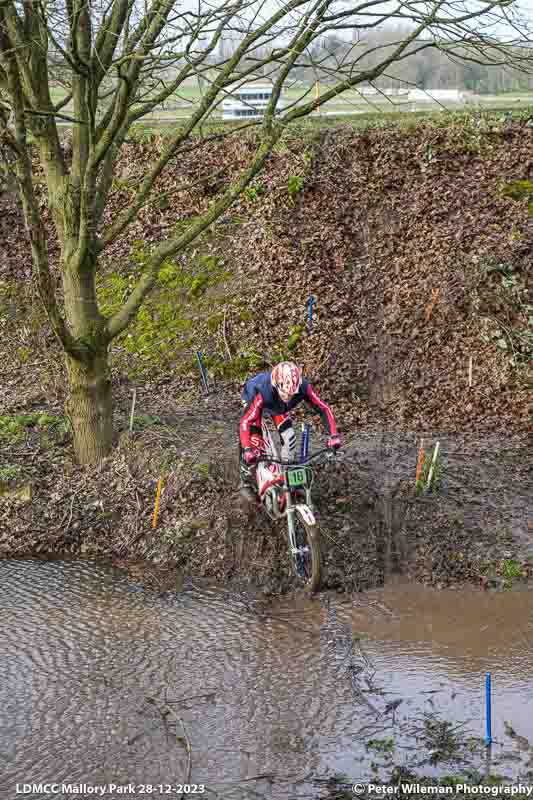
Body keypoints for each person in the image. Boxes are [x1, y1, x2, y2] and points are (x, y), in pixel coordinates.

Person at [238, 361, 342, 499]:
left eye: (292, 395)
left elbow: (323, 408)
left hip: (277, 407)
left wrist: (333, 435)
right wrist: (247, 449)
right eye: (285, 394)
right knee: (255, 444)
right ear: (276, 385)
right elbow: (245, 421)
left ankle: (286, 476)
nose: (288, 398)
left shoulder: (304, 386)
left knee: (290, 438)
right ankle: (245, 481)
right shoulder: (262, 391)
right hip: (253, 397)